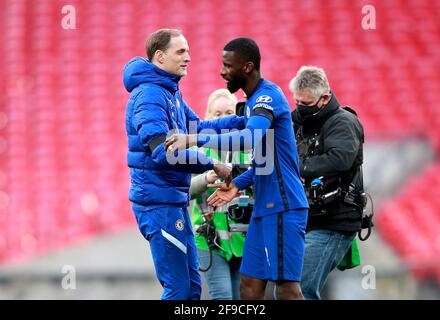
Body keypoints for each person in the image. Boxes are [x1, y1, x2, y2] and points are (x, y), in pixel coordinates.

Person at [165, 38, 309, 300]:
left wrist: (195, 138)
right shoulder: (253, 102)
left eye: (227, 65)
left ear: (247, 67)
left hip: (283, 206)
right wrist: (237, 185)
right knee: (250, 285)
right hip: (264, 209)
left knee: (286, 288)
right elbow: (256, 154)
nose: (222, 71)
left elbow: (249, 136)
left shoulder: (268, 96)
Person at [122, 29, 246, 300]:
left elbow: (199, 128)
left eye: (188, 51)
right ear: (159, 56)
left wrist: (242, 121)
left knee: (191, 289)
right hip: (158, 204)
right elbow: (163, 153)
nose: (189, 57)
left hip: (173, 201)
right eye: (181, 51)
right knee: (178, 290)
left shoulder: (169, 93)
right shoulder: (150, 96)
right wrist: (212, 164)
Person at [289, 66, 365, 300]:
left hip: (334, 220)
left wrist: (296, 166)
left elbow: (339, 160)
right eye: (297, 102)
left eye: (306, 104)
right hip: (307, 218)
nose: (300, 109)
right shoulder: (299, 123)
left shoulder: (343, 122)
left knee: (301, 287)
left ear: (324, 98)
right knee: (288, 287)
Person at [189, 88, 250, 300]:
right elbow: (184, 190)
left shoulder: (252, 149)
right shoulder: (197, 153)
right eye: (217, 114)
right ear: (208, 119)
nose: (224, 119)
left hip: (244, 240)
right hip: (209, 239)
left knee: (240, 299)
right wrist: (207, 178)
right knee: (222, 296)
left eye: (228, 112)